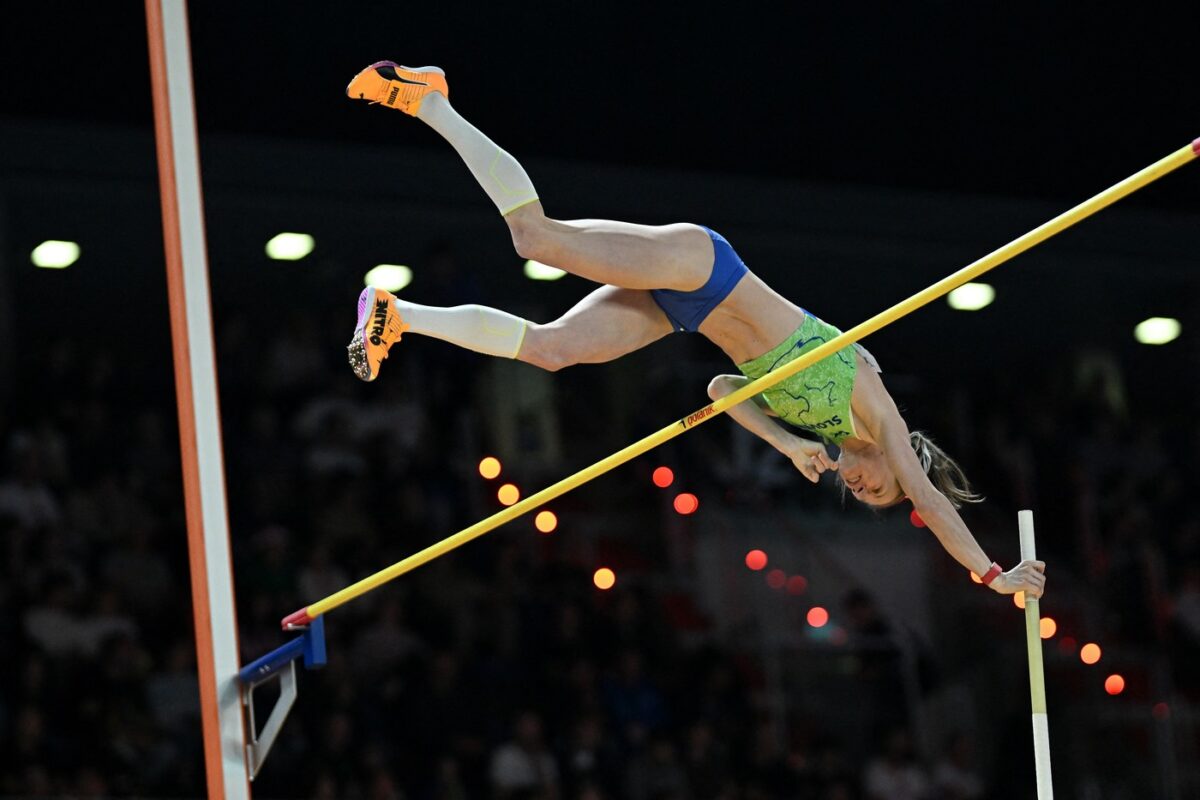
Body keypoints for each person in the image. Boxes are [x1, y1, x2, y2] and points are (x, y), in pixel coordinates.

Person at [343, 61, 1046, 599]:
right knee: (533, 238)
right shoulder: (875, 403)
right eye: (876, 487)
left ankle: (399, 316)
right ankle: (431, 97)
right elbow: (928, 499)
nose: (859, 486)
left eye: (861, 495)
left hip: (684, 312)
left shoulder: (825, 434)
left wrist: (784, 440)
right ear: (903, 464)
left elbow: (721, 385)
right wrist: (992, 575)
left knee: (554, 351)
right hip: (705, 267)